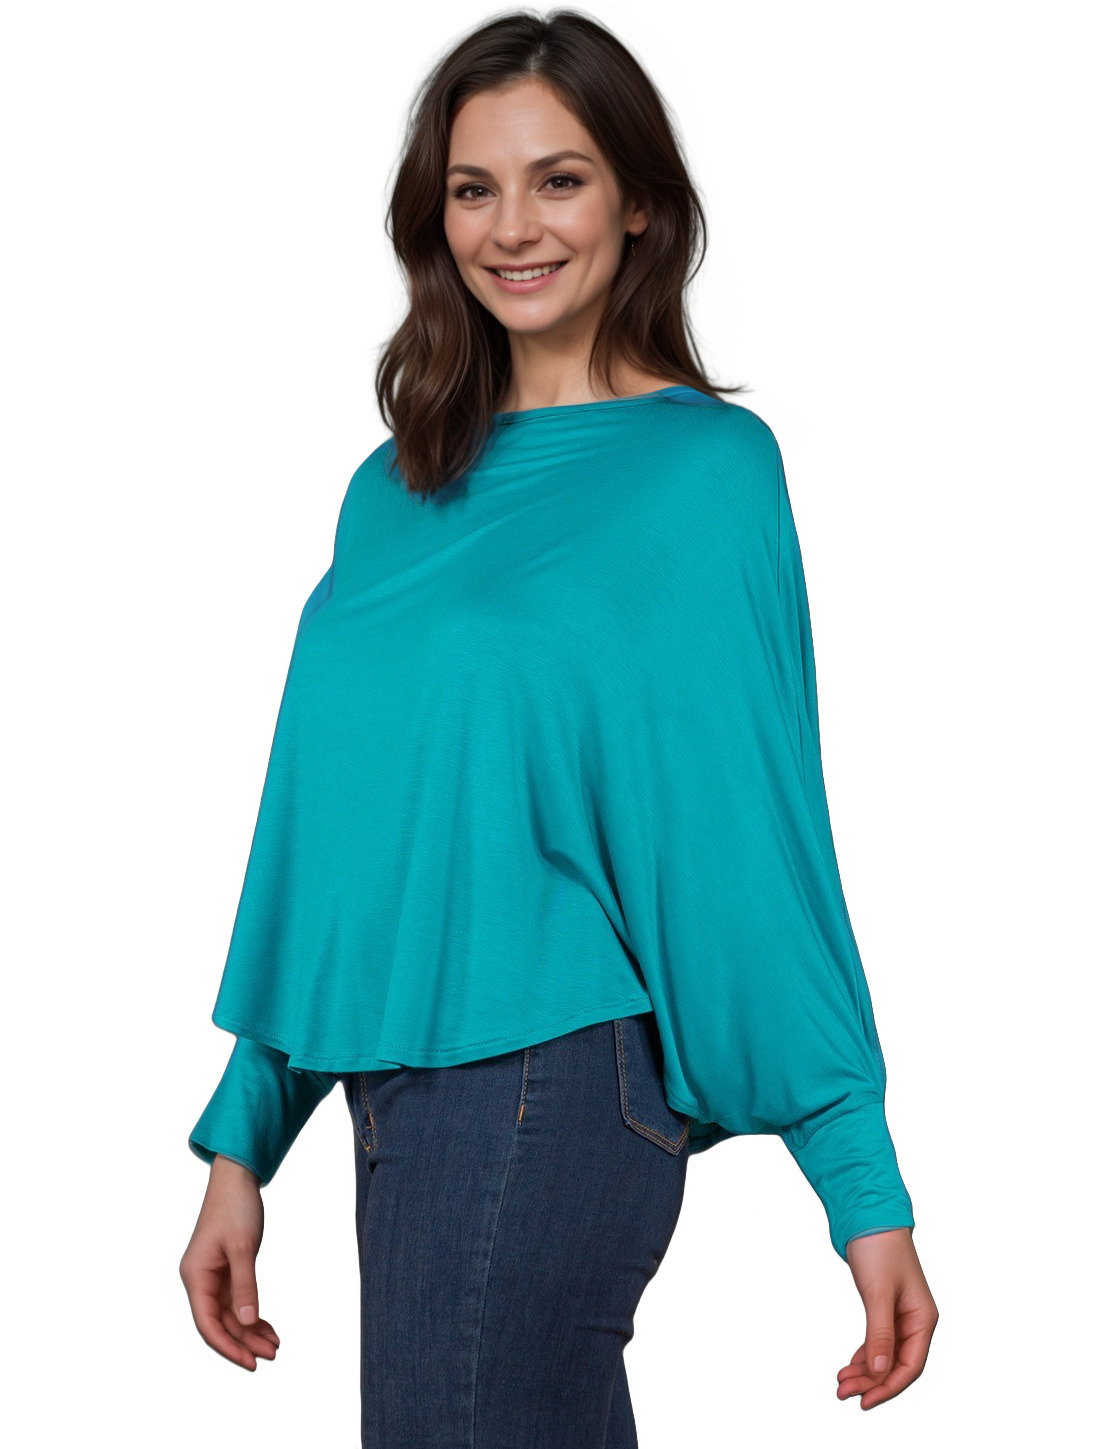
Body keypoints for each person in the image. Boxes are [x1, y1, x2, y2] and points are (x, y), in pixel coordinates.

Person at [179, 9, 939, 1441]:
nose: (513, 227)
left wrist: (861, 1183)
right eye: (475, 188)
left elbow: (745, 828)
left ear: (639, 202)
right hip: (395, 1095)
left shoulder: (705, 471)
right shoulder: (394, 485)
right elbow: (346, 830)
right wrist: (243, 1137)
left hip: (550, 1083)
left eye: (560, 179)